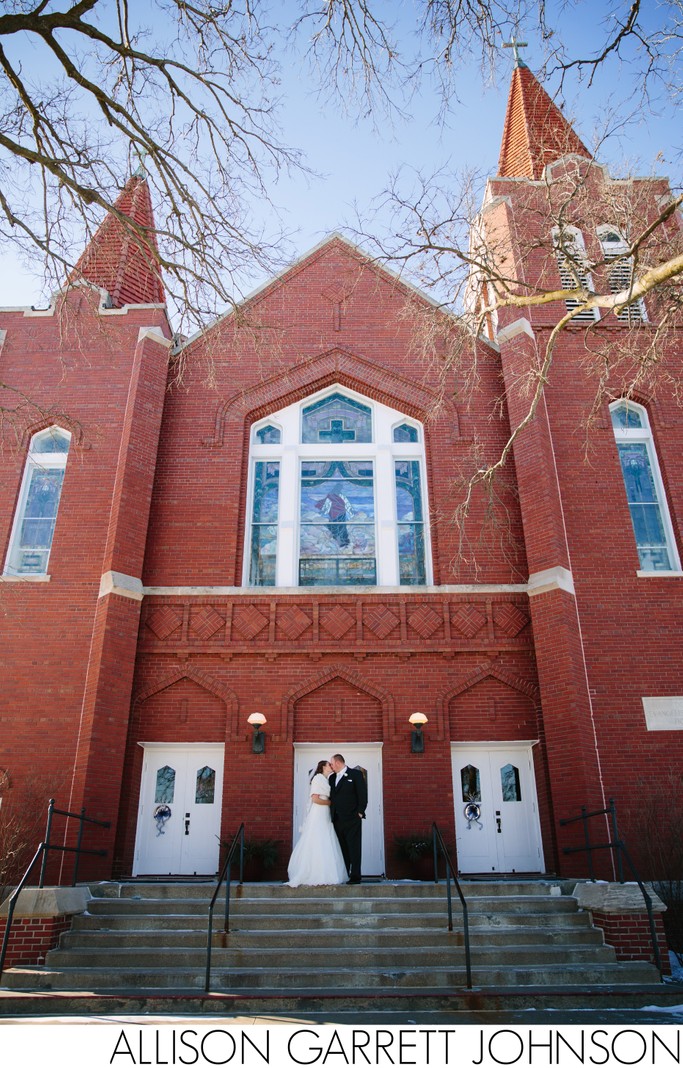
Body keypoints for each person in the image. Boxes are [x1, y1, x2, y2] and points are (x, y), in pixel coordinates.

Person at [287, 760, 348, 887]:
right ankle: (315, 873)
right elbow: (315, 799)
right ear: (323, 767)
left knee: (327, 839)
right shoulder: (318, 778)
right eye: (329, 765)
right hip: (319, 812)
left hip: (325, 813)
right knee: (319, 839)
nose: (331, 766)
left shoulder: (326, 779)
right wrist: (331, 804)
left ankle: (328, 871)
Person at [329, 753, 367, 884]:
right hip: (337, 819)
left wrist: (360, 812)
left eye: (332, 764)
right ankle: (344, 875)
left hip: (352, 818)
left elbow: (363, 795)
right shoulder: (332, 777)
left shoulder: (355, 775)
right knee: (342, 848)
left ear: (338, 763)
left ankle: (355, 876)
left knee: (354, 848)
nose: (331, 766)